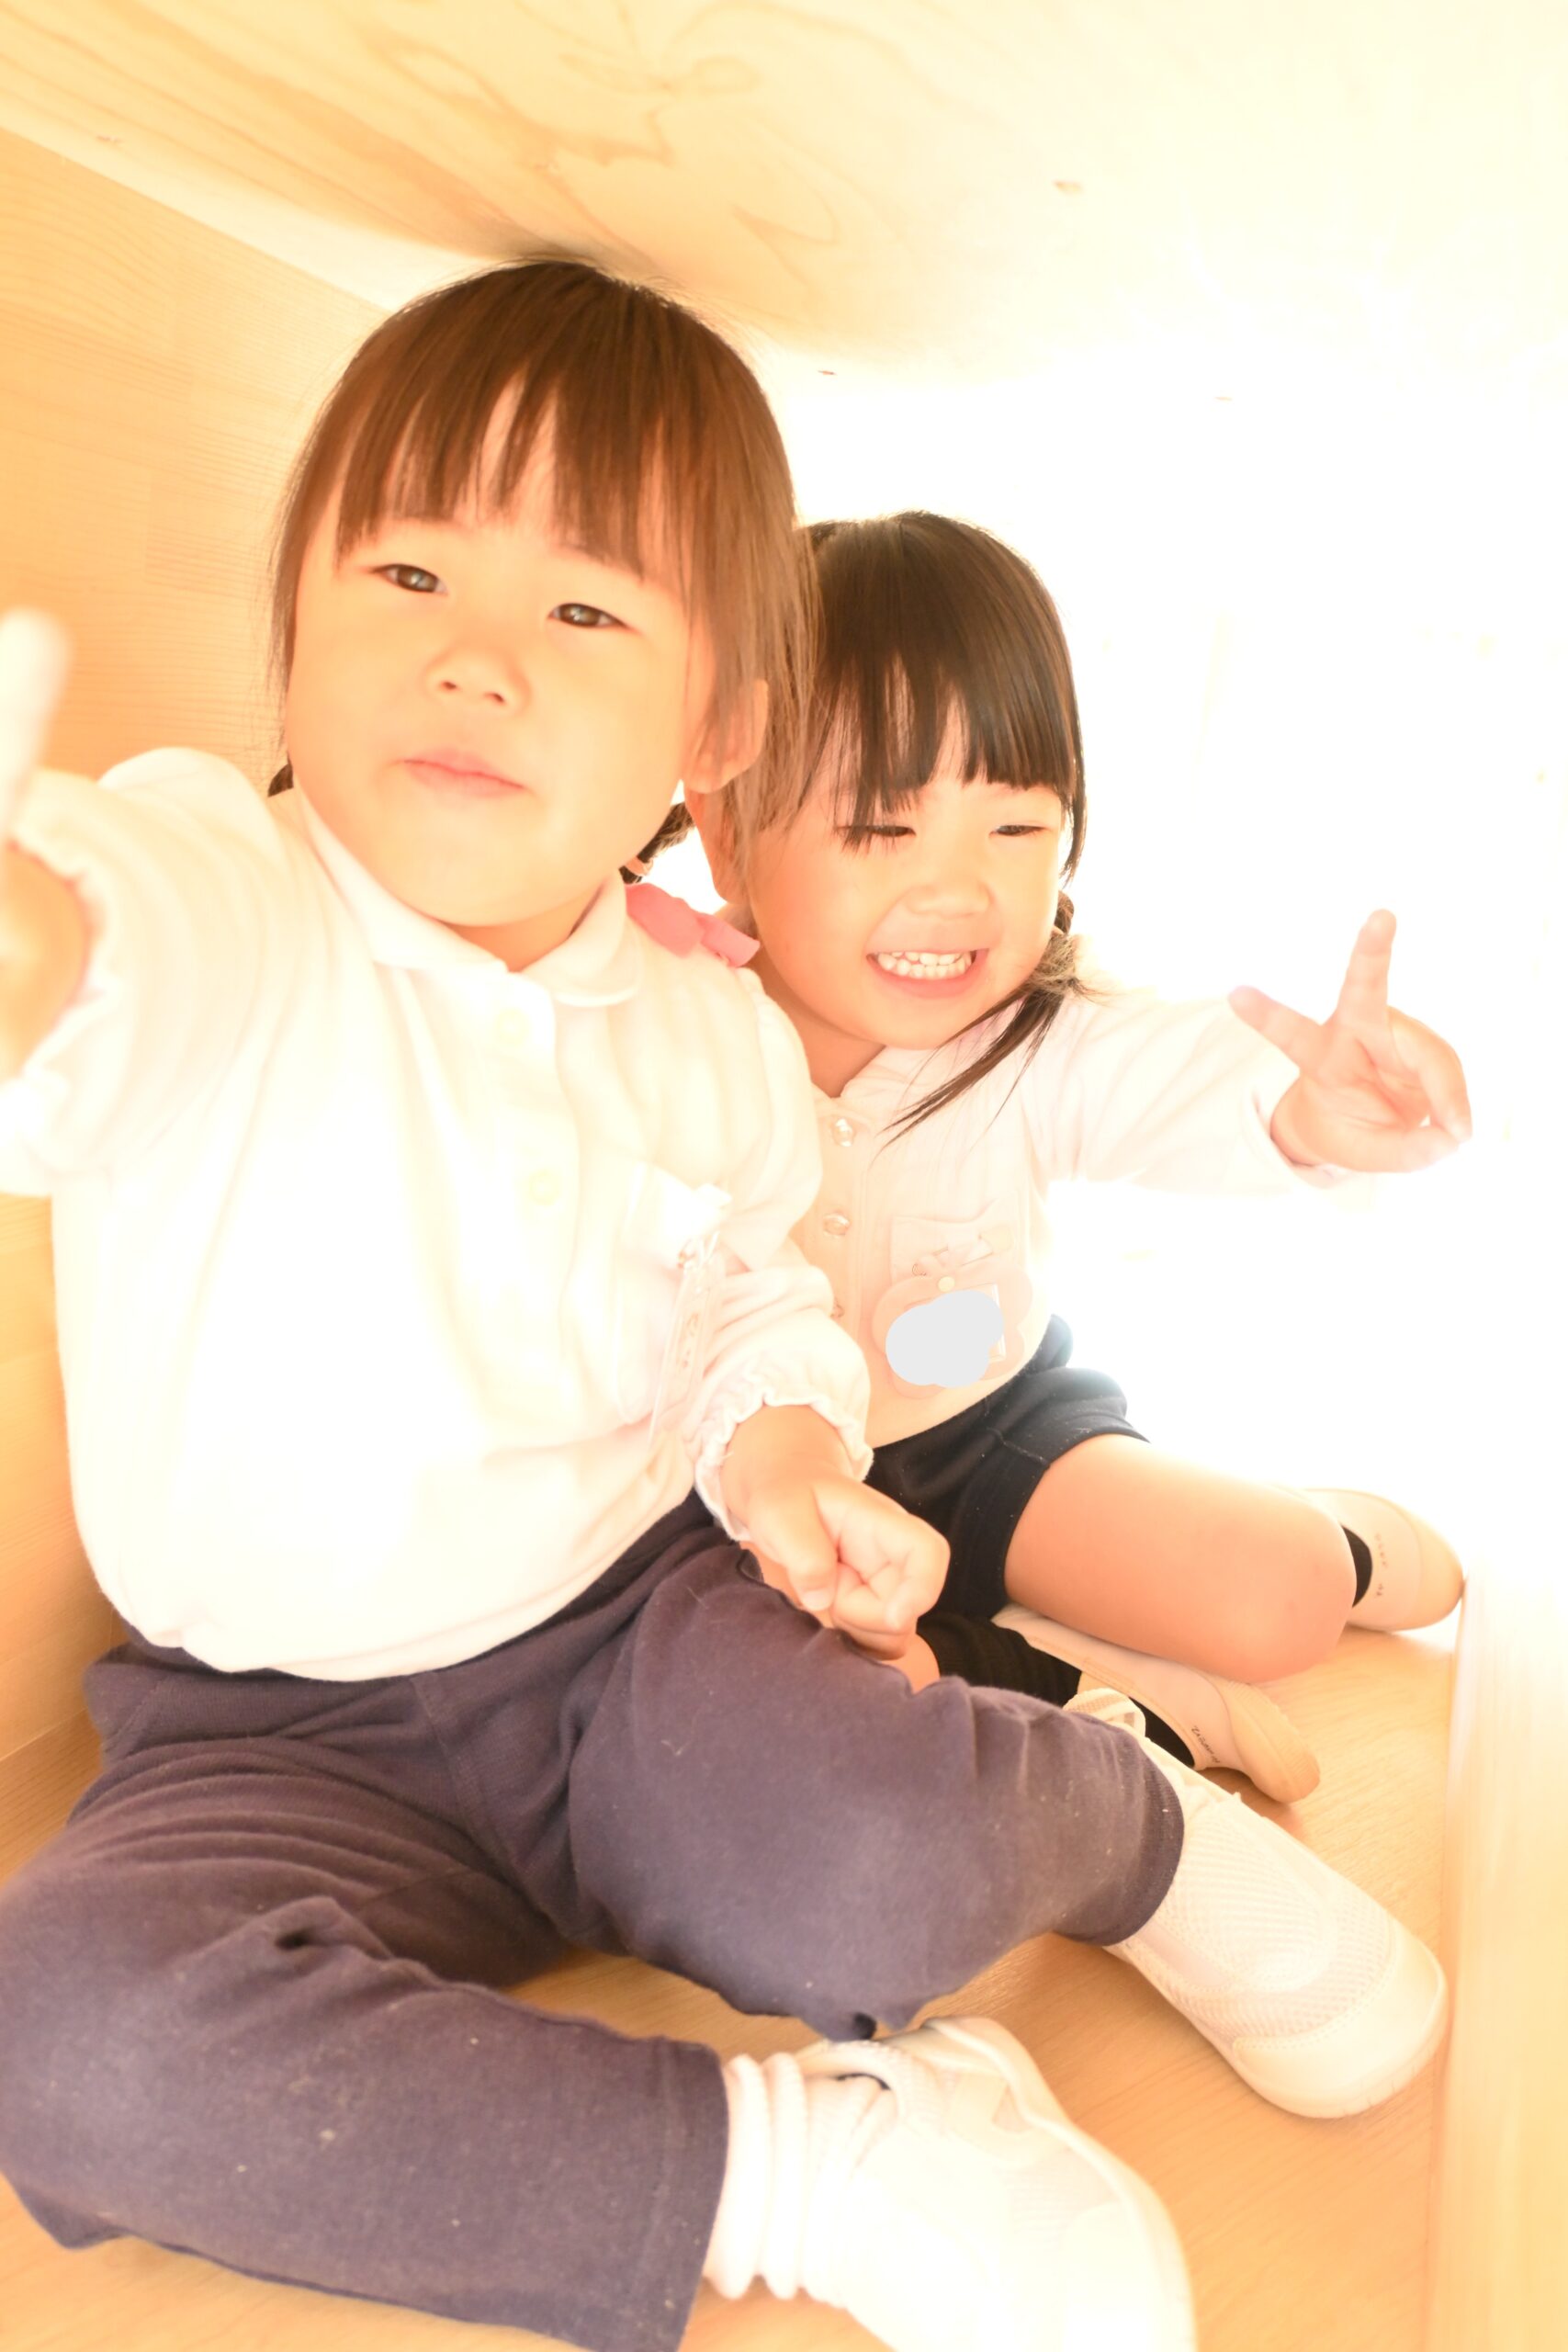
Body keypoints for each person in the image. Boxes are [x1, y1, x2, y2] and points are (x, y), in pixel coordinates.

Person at [0, 270, 1443, 2352]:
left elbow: (748, 1294)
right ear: (292, 618)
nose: (477, 656)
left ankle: (1131, 1823)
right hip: (269, 1727)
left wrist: (778, 1465)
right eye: (405, 571)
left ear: (714, 734)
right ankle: (828, 2160)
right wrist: (39, 935)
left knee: (879, 1852)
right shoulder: (230, 885)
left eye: (585, 607)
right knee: (65, 2036)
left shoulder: (701, 1027)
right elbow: (101, 950)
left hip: (636, 1635)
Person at [683, 509, 1471, 1802]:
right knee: (766, 1696)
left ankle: (1333, 1538)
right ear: (724, 831)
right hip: (751, 1480)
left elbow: (1192, 1081)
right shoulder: (665, 1029)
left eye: (1013, 829)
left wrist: (1312, 1111)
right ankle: (1096, 1693)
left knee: (1280, 1598)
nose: (957, 894)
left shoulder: (1038, 1036)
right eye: (879, 828)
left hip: (989, 1429)